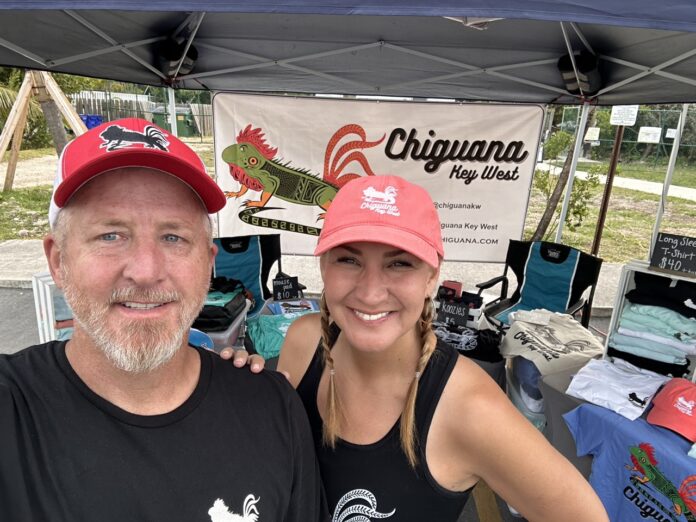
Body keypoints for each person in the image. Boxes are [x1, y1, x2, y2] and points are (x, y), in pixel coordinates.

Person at [0, 118, 324, 521]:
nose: (146, 270)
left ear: (208, 264)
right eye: (111, 235)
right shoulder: (12, 412)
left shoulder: (272, 408)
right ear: (58, 261)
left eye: (173, 237)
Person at [274, 175, 609, 521]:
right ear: (323, 266)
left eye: (399, 263)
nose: (371, 292)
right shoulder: (304, 342)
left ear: (431, 277)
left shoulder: (469, 408)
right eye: (349, 260)